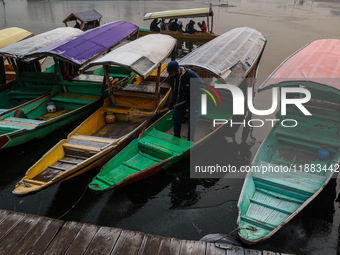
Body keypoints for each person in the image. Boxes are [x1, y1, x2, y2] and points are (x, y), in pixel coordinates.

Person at [167, 61, 202, 141]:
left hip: (193, 100)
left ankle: (190, 139)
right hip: (181, 99)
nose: (169, 75)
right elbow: (174, 90)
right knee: (176, 118)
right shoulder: (172, 77)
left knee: (192, 121)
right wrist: (173, 101)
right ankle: (176, 136)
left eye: (171, 73)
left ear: (177, 71)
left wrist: (192, 97)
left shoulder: (191, 75)